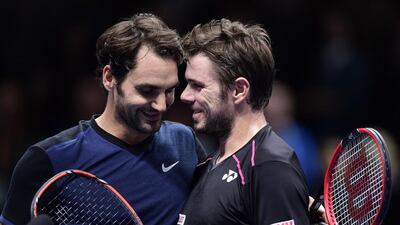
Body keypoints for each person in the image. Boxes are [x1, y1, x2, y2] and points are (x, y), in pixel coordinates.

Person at [0, 13, 206, 225]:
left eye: (169, 90)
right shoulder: (48, 159)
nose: (161, 105)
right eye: (147, 90)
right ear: (109, 78)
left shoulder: (185, 142)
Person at [178, 19, 310, 225]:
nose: (185, 96)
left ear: (239, 90)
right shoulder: (210, 163)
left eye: (197, 86)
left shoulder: (270, 167)